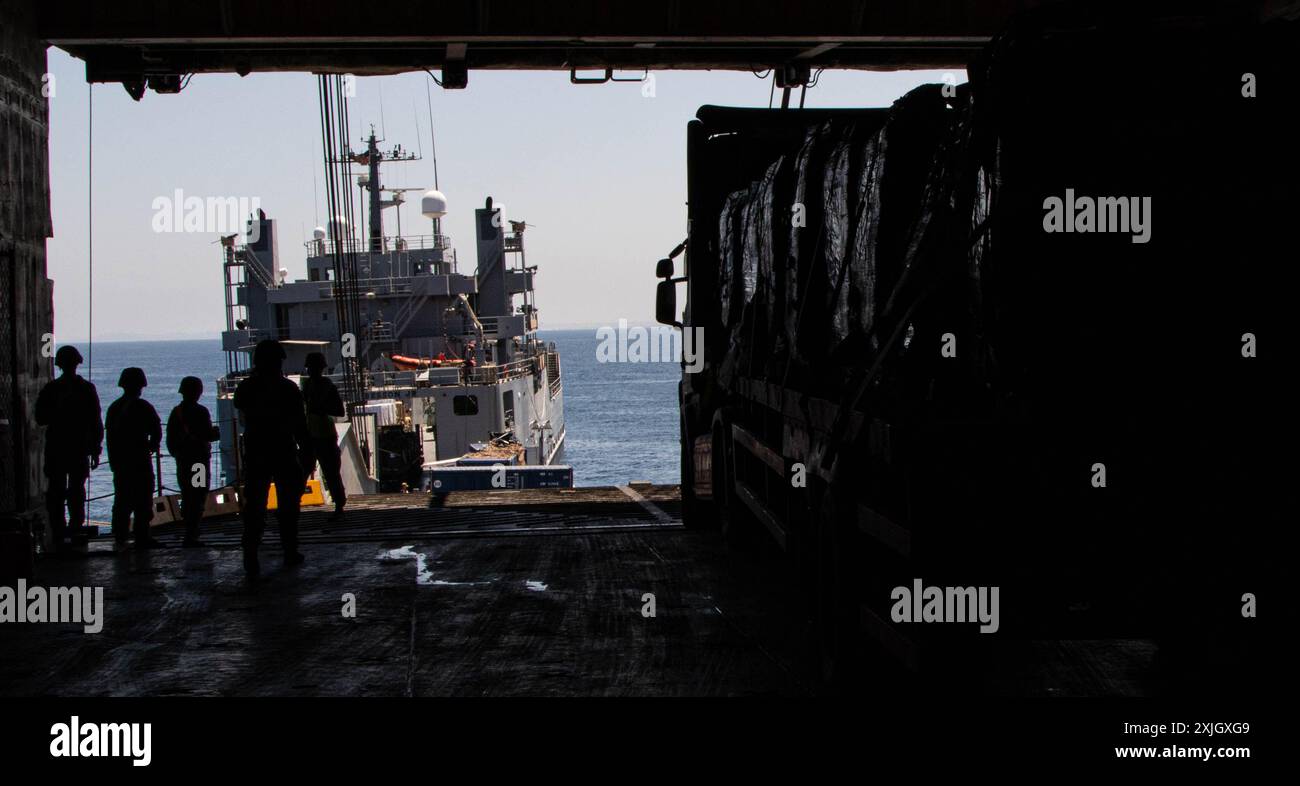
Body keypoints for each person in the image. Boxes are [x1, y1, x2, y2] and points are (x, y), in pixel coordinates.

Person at [234, 339, 311, 577]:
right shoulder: (287, 388)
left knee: (255, 504)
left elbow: (242, 410)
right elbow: (300, 425)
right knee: (288, 504)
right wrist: (307, 452)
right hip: (283, 450)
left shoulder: (246, 388)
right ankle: (289, 550)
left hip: (257, 451)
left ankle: (251, 552)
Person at [34, 345, 103, 556]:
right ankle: (73, 531)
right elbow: (95, 421)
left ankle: (58, 534)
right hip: (78, 449)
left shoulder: (51, 389)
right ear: (77, 363)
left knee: (56, 493)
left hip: (57, 448)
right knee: (76, 492)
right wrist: (96, 448)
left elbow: (40, 418)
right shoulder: (86, 389)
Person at [104, 367, 163, 551]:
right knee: (143, 500)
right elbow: (156, 431)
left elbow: (110, 438)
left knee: (122, 499)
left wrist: (113, 461)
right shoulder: (143, 407)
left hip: (121, 462)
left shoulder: (114, 408)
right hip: (140, 460)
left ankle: (120, 535)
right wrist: (151, 446)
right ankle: (142, 535)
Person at [166, 376, 219, 547]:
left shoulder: (176, 412)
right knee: (198, 494)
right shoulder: (201, 411)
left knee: (188, 493)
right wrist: (216, 433)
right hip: (199, 463)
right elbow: (208, 435)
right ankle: (191, 535)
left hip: (183, 461)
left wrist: (178, 454)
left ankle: (189, 532)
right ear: (198, 392)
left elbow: (170, 440)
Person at [300, 352, 346, 520]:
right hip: (313, 432)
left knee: (330, 471)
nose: (311, 370)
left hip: (323, 433)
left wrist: (322, 409)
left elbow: (339, 411)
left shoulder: (325, 385)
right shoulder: (308, 385)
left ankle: (339, 505)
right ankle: (292, 504)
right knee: (306, 470)